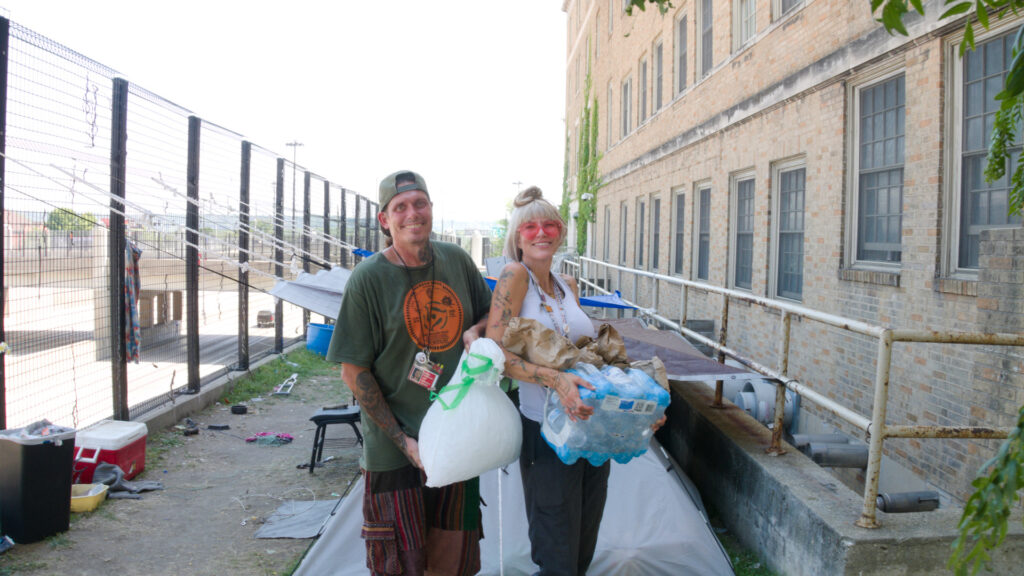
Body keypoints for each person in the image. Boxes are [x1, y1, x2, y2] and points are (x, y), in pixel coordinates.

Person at [326, 170, 491, 576]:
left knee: (455, 560)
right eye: (400, 207)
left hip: (457, 441)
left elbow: (493, 313)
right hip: (394, 452)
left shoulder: (457, 261)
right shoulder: (368, 280)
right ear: (385, 220)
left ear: (431, 210)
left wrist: (478, 327)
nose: (412, 213)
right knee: (401, 564)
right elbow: (354, 372)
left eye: (420, 203)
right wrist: (405, 441)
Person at [485, 186, 604, 575]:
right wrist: (556, 380)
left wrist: (636, 406)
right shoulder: (514, 275)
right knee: (557, 553)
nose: (541, 233)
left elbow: (586, 352)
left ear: (561, 232)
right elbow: (495, 355)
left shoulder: (567, 284)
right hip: (546, 432)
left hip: (591, 427)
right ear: (517, 237)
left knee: (583, 547)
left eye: (549, 224)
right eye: (530, 226)